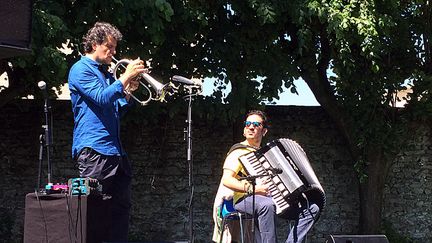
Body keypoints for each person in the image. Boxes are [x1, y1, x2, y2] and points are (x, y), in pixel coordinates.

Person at [68, 21, 145, 242]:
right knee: (96, 213)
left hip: (115, 151)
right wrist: (125, 77)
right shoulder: (80, 69)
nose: (113, 52)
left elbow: (118, 106)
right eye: (109, 47)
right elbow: (102, 98)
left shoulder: (106, 72)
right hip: (94, 150)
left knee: (119, 212)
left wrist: (129, 88)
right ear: (94, 44)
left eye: (114, 48)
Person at [217, 110, 320, 243]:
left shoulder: (269, 154)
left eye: (256, 124)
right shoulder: (238, 152)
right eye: (248, 124)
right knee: (267, 204)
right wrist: (253, 189)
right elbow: (227, 180)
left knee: (312, 208)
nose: (251, 127)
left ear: (264, 131)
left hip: (275, 198)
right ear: (244, 130)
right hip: (244, 198)